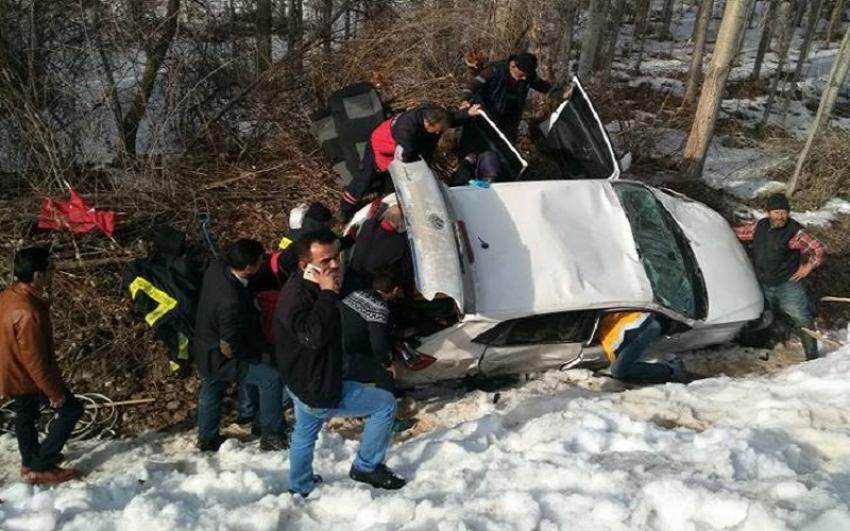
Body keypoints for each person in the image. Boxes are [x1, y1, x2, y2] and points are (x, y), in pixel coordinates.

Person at [275, 230, 406, 496]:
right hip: (317, 386)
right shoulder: (300, 296)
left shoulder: (303, 284)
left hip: (301, 381)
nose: (334, 265)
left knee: (304, 431)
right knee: (384, 404)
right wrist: (327, 293)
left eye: (335, 257)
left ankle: (300, 485)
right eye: (325, 261)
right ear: (305, 265)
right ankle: (367, 467)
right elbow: (314, 335)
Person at [193, 239, 287, 452]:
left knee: (212, 387)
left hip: (204, 343)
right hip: (221, 354)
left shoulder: (218, 267)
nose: (263, 262)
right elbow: (231, 344)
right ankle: (271, 434)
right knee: (270, 378)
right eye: (261, 260)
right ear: (248, 268)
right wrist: (256, 356)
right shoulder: (230, 301)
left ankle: (207, 438)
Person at [0, 246, 83, 484]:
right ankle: (41, 465)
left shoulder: (8, 295)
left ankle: (29, 460)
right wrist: (52, 390)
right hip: (27, 374)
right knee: (71, 410)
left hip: (10, 369)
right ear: (37, 275)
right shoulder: (28, 313)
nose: (53, 273)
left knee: (25, 414)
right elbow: (35, 359)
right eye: (50, 269)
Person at [340, 103, 481, 220]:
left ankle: (385, 199)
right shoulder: (406, 131)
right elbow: (405, 158)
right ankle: (346, 207)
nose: (439, 134)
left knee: (390, 184)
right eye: (437, 131)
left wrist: (467, 113)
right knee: (364, 179)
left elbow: (448, 118)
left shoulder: (434, 113)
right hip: (381, 145)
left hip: (403, 149)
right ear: (427, 124)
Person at [735, 193, 825, 360]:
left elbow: (817, 249)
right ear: (768, 212)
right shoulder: (759, 227)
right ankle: (755, 348)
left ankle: (813, 358)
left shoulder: (795, 232)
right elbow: (738, 233)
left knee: (801, 316)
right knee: (760, 315)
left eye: (784, 212)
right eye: (776, 212)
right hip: (763, 282)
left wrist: (808, 267)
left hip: (788, 284)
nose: (780, 216)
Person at [462, 52, 553, 142]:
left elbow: (544, 87)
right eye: (521, 75)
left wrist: (558, 92)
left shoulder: (528, 77)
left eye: (526, 76)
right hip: (487, 116)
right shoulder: (494, 71)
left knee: (507, 146)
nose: (524, 78)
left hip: (510, 121)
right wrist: (465, 100)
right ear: (513, 66)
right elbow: (472, 86)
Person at [597, 311, 686, 383]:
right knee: (618, 370)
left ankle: (671, 370)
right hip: (635, 327)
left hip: (642, 327)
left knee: (619, 371)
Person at [346, 204, 413, 295]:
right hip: (369, 283)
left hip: (351, 274)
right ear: (401, 223)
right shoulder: (398, 243)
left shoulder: (368, 224)